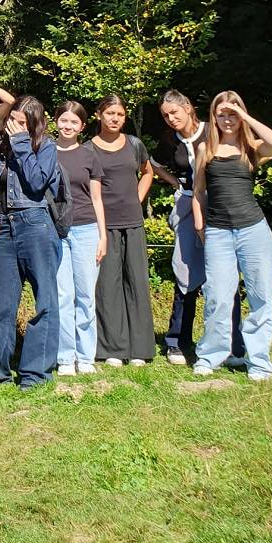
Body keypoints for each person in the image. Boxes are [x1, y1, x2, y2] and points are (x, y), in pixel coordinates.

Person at [192, 93, 272, 382]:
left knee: (260, 297)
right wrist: (200, 226)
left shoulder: (251, 147)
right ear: (213, 116)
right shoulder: (205, 148)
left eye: (232, 114)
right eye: (221, 114)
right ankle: (210, 357)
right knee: (217, 297)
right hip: (218, 232)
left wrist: (245, 117)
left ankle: (259, 362)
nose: (227, 119)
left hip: (253, 231)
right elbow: (198, 191)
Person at [0, 96, 61, 390]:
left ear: (34, 124)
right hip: (6, 227)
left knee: (45, 301)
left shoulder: (46, 147)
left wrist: (22, 143)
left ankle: (35, 373)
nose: (14, 126)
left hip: (36, 224)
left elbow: (37, 183)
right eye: (12, 120)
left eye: (22, 122)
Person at [86, 95, 154, 367]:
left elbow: (148, 172)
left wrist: (137, 198)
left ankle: (139, 349)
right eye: (110, 113)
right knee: (108, 286)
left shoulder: (134, 144)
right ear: (99, 115)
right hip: (103, 226)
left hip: (133, 223)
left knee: (137, 282)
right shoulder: (88, 149)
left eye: (120, 114)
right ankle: (113, 348)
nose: (115, 118)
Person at [54, 101, 107, 376]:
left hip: (87, 230)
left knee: (86, 295)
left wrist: (103, 236)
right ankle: (65, 358)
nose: (68, 126)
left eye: (74, 122)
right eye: (64, 120)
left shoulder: (89, 155)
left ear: (82, 126)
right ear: (56, 121)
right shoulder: (46, 152)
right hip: (57, 231)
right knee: (63, 296)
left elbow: (97, 198)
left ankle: (86, 357)